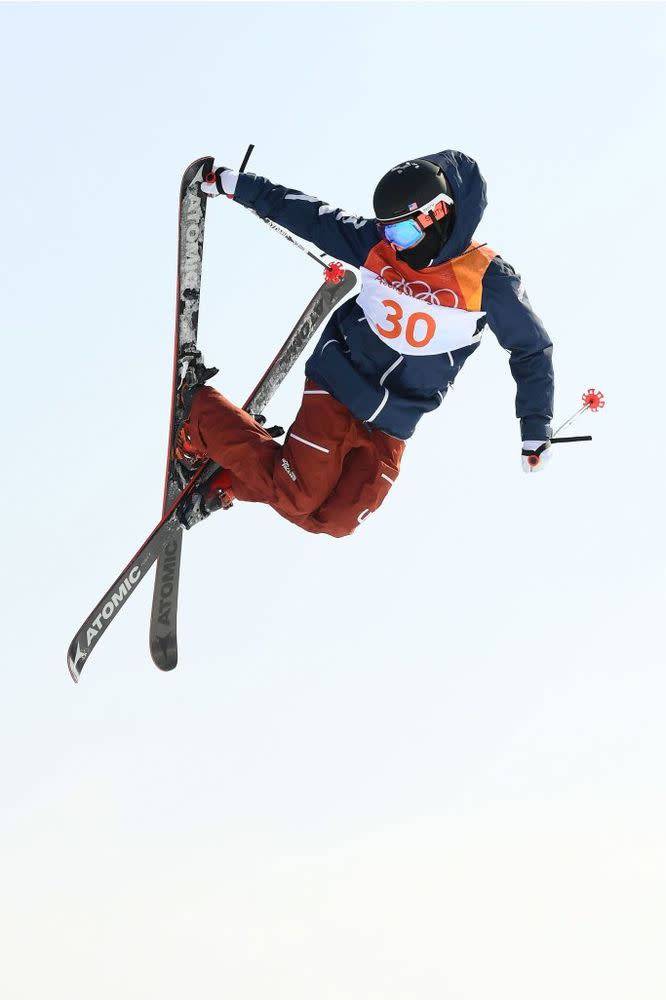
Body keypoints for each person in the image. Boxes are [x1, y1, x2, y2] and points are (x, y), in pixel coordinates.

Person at [177, 150, 554, 537]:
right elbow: (311, 216)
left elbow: (531, 349)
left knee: (336, 521)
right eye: (387, 231)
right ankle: (201, 415)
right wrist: (238, 185)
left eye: (404, 233)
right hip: (340, 384)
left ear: (438, 215)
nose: (395, 244)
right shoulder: (377, 245)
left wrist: (536, 425)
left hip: (394, 419)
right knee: (298, 496)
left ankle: (235, 472)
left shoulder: (486, 279)